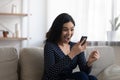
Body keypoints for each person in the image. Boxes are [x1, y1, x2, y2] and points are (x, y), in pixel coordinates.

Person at [42, 13, 100, 80]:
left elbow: (85, 72)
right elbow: (50, 73)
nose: (69, 33)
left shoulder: (75, 46)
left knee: (92, 78)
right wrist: (72, 53)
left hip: (67, 78)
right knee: (82, 76)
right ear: (57, 30)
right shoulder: (50, 46)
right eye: (65, 30)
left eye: (72, 29)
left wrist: (89, 62)